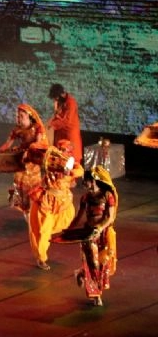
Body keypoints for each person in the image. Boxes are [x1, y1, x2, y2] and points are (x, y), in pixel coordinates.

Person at [0, 103, 48, 221]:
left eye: (21, 116)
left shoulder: (37, 127)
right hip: (21, 160)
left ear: (29, 116)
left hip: (32, 160)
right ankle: (28, 214)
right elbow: (7, 144)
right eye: (17, 116)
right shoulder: (17, 129)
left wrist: (29, 150)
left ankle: (36, 215)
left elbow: (38, 143)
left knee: (33, 191)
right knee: (21, 190)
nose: (19, 118)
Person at [28, 139, 84, 270]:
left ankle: (50, 233)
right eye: (60, 149)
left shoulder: (71, 163)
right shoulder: (50, 161)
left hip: (62, 201)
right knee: (43, 230)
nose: (62, 152)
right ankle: (41, 257)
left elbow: (80, 170)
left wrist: (71, 172)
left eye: (65, 150)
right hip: (46, 201)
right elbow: (34, 149)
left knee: (66, 221)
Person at [66, 165, 118, 306]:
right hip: (89, 234)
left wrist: (100, 228)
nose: (84, 184)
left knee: (103, 263)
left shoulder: (107, 195)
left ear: (93, 180)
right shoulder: (85, 198)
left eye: (86, 181)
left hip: (103, 233)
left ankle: (81, 273)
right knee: (93, 263)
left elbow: (110, 217)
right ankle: (96, 295)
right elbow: (79, 217)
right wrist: (68, 229)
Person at [47, 83, 83, 165]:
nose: (55, 99)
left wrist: (52, 125)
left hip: (70, 134)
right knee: (58, 159)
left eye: (55, 97)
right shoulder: (59, 102)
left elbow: (67, 120)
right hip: (60, 134)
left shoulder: (71, 102)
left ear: (61, 94)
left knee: (72, 159)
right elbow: (57, 116)